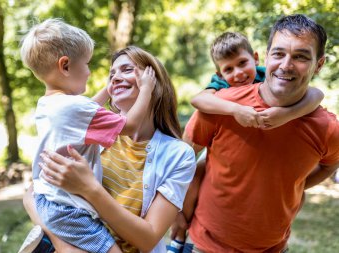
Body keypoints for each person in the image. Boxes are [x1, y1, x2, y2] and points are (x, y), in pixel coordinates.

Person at [177, 14, 339, 253]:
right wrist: (177, 212)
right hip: (205, 244)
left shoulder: (327, 128)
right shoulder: (220, 105)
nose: (286, 65)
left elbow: (329, 165)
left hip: (273, 248)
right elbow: (182, 159)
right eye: (278, 53)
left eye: (301, 56)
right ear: (266, 55)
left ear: (319, 64)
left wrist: (294, 186)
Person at [23, 46, 196, 253]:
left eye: (127, 70)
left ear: (154, 83)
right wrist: (63, 244)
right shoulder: (87, 134)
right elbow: (33, 193)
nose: (115, 78)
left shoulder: (179, 155)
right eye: (112, 73)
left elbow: (148, 238)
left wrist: (90, 189)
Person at [18, 19, 156, 253]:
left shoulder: (49, 104)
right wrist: (146, 90)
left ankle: (46, 243)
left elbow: (85, 112)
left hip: (47, 198)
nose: (90, 71)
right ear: (65, 66)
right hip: (68, 207)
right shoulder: (75, 108)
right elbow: (131, 125)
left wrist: (107, 90)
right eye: (87, 63)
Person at [191, 31, 324, 129]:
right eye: (228, 69)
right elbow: (198, 100)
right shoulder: (221, 83)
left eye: (242, 63)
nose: (238, 73)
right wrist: (235, 109)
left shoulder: (268, 74)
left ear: (255, 58)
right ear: (220, 74)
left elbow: (317, 95)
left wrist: (287, 114)